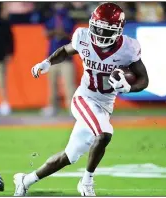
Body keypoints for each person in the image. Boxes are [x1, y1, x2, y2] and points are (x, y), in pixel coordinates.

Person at [14, 2, 149, 196]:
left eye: (107, 31)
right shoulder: (83, 36)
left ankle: (25, 180)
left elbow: (144, 79)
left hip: (105, 104)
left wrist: (129, 87)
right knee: (104, 133)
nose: (101, 35)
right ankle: (86, 182)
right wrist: (47, 62)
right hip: (84, 98)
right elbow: (65, 50)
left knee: (69, 156)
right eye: (98, 29)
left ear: (119, 30)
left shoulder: (128, 48)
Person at [41, 2, 76, 116]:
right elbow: (45, 33)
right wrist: (55, 31)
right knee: (52, 85)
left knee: (69, 85)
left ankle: (72, 108)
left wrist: (59, 31)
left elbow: (69, 34)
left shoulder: (69, 19)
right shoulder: (51, 18)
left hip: (66, 58)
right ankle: (53, 107)